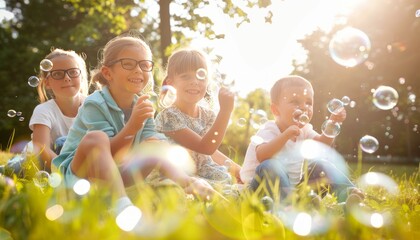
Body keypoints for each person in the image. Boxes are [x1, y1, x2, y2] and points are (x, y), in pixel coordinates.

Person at [52, 35, 216, 217]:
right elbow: (108, 154)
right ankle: (121, 206)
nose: (138, 70)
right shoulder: (94, 103)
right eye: (129, 64)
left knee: (155, 146)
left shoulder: (143, 106)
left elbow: (156, 150)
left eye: (144, 65)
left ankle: (132, 196)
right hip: (79, 175)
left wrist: (188, 181)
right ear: (107, 73)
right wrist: (133, 125)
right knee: (97, 138)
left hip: (118, 175)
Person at [240, 75, 363, 204]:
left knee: (321, 165)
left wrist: (332, 123)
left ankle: (349, 194)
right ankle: (292, 205)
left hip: (290, 190)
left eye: (309, 103)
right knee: (270, 165)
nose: (304, 107)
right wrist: (285, 135)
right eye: (295, 102)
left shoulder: (304, 130)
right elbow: (262, 155)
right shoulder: (269, 129)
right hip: (257, 191)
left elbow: (322, 145)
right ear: (276, 110)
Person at [155, 48, 242, 194]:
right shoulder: (169, 116)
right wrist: (225, 111)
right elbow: (205, 147)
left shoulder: (207, 115)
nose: (194, 82)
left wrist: (239, 171)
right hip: (180, 174)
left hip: (205, 171)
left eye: (200, 77)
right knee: (222, 191)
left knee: (229, 180)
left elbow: (211, 153)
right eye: (185, 77)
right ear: (171, 83)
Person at [2, 49, 89, 176]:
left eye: (73, 72)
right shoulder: (44, 110)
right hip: (42, 158)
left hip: (73, 159)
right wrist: (66, 172)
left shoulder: (92, 105)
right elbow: (42, 149)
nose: (67, 78)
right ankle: (7, 167)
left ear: (81, 77)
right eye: (58, 74)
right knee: (19, 168)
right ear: (47, 82)